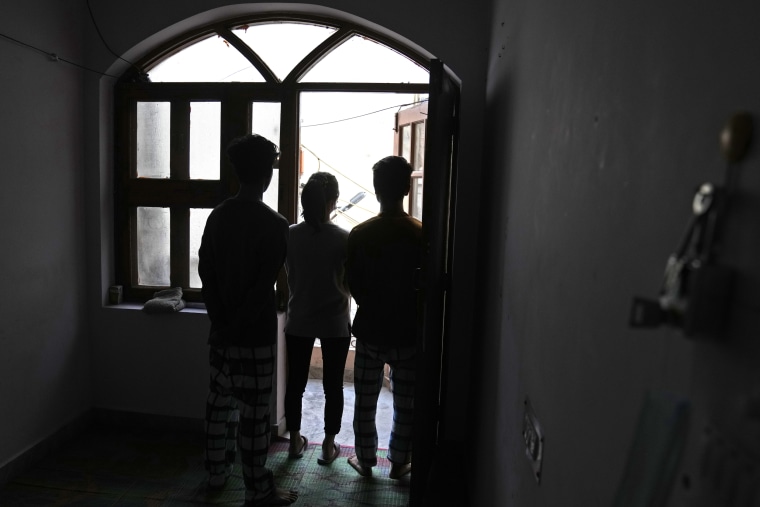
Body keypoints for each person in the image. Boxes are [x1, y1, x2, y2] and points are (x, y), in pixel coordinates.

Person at [198, 133, 298, 506]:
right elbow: (261, 288)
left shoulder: (218, 216)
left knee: (218, 406)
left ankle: (215, 474)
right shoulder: (275, 224)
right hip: (253, 335)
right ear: (268, 174)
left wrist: (221, 324)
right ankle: (258, 490)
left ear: (237, 171)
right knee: (255, 420)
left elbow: (207, 274)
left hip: (220, 333)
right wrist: (238, 326)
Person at [345, 156, 422, 480]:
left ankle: (365, 460)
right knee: (407, 403)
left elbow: (354, 283)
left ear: (376, 190)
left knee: (365, 401)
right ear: (407, 187)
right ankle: (400, 460)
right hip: (408, 331)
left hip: (371, 330)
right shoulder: (421, 233)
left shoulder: (361, 233)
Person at [283, 172, 351, 466]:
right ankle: (327, 444)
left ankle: (295, 440)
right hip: (335, 321)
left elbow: (289, 275)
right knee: (333, 385)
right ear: (333, 200)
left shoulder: (290, 234)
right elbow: (349, 280)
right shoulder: (343, 237)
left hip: (299, 317)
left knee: (295, 383)